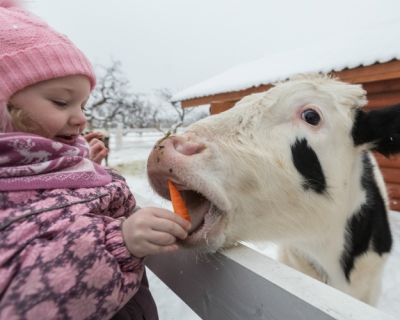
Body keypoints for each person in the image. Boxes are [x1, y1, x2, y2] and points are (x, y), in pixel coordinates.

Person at [0, 2, 191, 319]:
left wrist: (85, 163)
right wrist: (119, 242)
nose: (80, 119)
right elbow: (29, 299)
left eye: (83, 105)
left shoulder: (55, 163)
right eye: (61, 102)